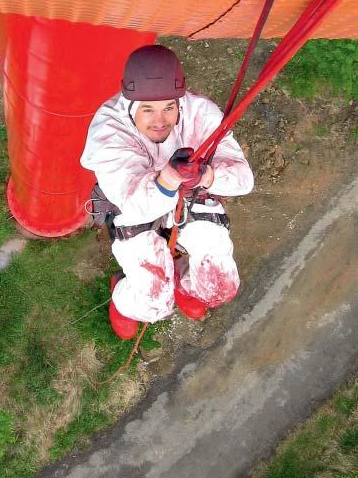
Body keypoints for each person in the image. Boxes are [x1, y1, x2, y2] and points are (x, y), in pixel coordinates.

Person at [80, 44, 254, 339]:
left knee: (220, 286)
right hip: (136, 205)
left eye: (169, 108)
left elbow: (243, 180)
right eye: (148, 110)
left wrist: (208, 175)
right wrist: (170, 177)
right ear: (131, 103)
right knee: (153, 304)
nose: (160, 120)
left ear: (179, 101)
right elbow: (137, 204)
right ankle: (124, 300)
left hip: (190, 196)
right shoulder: (108, 132)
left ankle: (185, 285)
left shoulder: (200, 114)